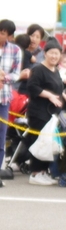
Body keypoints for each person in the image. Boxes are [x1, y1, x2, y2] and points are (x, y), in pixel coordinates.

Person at [25, 38, 64, 186]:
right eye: (51, 53)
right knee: (40, 141)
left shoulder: (56, 70)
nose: (54, 56)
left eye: (57, 53)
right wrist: (49, 96)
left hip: (51, 113)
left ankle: (43, 171)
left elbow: (59, 88)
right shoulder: (38, 69)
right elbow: (32, 87)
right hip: (39, 111)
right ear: (45, 54)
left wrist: (64, 96)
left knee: (48, 143)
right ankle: (35, 173)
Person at [0, 19, 21, 182]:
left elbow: (16, 74)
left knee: (2, 136)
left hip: (3, 99)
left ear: (9, 36)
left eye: (3, 33)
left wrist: (4, 77)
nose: (1, 35)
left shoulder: (15, 50)